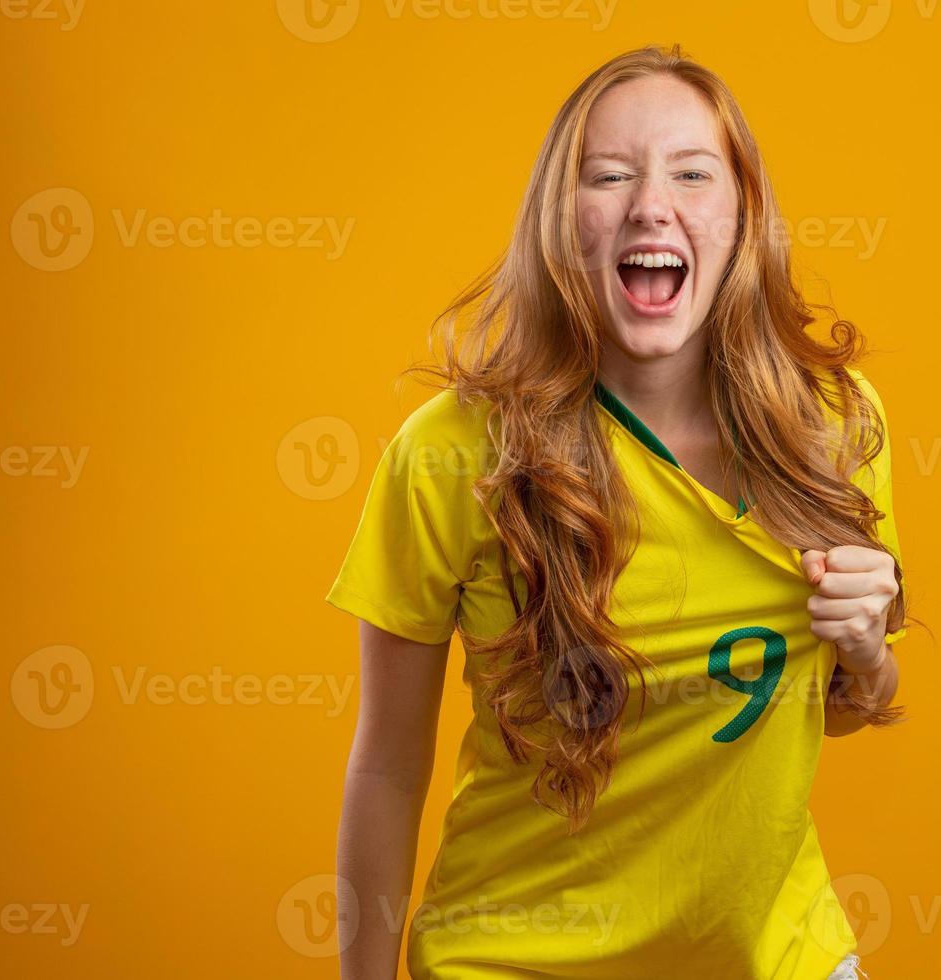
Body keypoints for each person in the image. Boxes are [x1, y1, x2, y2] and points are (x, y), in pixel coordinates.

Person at [327, 43, 905, 980]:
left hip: (774, 954)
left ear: (741, 216)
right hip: (513, 958)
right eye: (610, 176)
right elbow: (389, 767)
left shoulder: (835, 427)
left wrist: (868, 647)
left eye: (691, 173)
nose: (651, 204)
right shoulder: (449, 455)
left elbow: (849, 707)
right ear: (565, 223)